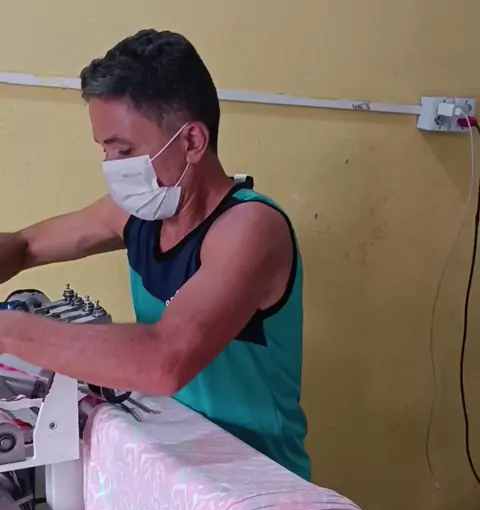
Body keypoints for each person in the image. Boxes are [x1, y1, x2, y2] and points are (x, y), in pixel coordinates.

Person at [0, 30, 310, 480]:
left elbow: (165, 360)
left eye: (123, 150)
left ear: (192, 142)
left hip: (257, 486)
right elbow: (25, 246)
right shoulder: (138, 214)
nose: (112, 165)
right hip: (172, 467)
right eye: (105, 149)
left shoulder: (250, 229)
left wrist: (9, 330)